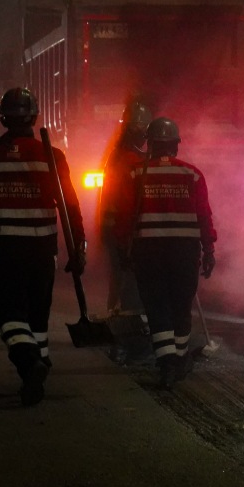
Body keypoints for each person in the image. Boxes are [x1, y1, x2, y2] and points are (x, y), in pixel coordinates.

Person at [0, 87, 86, 406]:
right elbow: (69, 205)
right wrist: (79, 248)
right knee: (38, 316)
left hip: (5, 250)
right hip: (42, 251)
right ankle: (37, 373)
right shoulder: (52, 156)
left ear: (3, 117)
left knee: (8, 314)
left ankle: (30, 363)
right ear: (34, 116)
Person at [113, 117, 216, 390]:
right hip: (185, 253)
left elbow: (124, 217)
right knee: (181, 306)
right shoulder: (192, 175)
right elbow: (204, 216)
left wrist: (123, 248)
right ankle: (178, 358)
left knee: (157, 307)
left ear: (150, 145)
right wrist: (209, 249)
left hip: (149, 253)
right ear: (175, 145)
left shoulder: (135, 174)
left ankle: (167, 361)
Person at [98, 98, 153, 324]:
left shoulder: (119, 154)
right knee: (127, 277)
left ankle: (116, 317)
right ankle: (122, 323)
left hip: (115, 226)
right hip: (123, 228)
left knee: (119, 275)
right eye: (139, 127)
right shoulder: (131, 159)